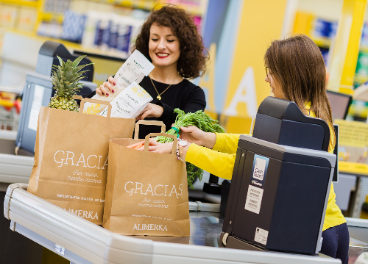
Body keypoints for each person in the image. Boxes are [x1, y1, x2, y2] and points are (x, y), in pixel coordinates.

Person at [147, 35, 349, 264]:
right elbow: (257, 144)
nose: (266, 78)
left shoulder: (303, 125)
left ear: (289, 75)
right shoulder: (311, 117)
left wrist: (182, 149)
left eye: (271, 71)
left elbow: (242, 168)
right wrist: (208, 138)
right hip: (329, 229)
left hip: (315, 236)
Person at [93, 5, 207, 138]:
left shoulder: (193, 94)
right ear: (146, 43)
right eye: (154, 39)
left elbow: (188, 129)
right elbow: (93, 118)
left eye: (170, 40)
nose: (161, 46)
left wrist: (163, 112)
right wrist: (101, 97)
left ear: (184, 45)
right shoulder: (127, 80)